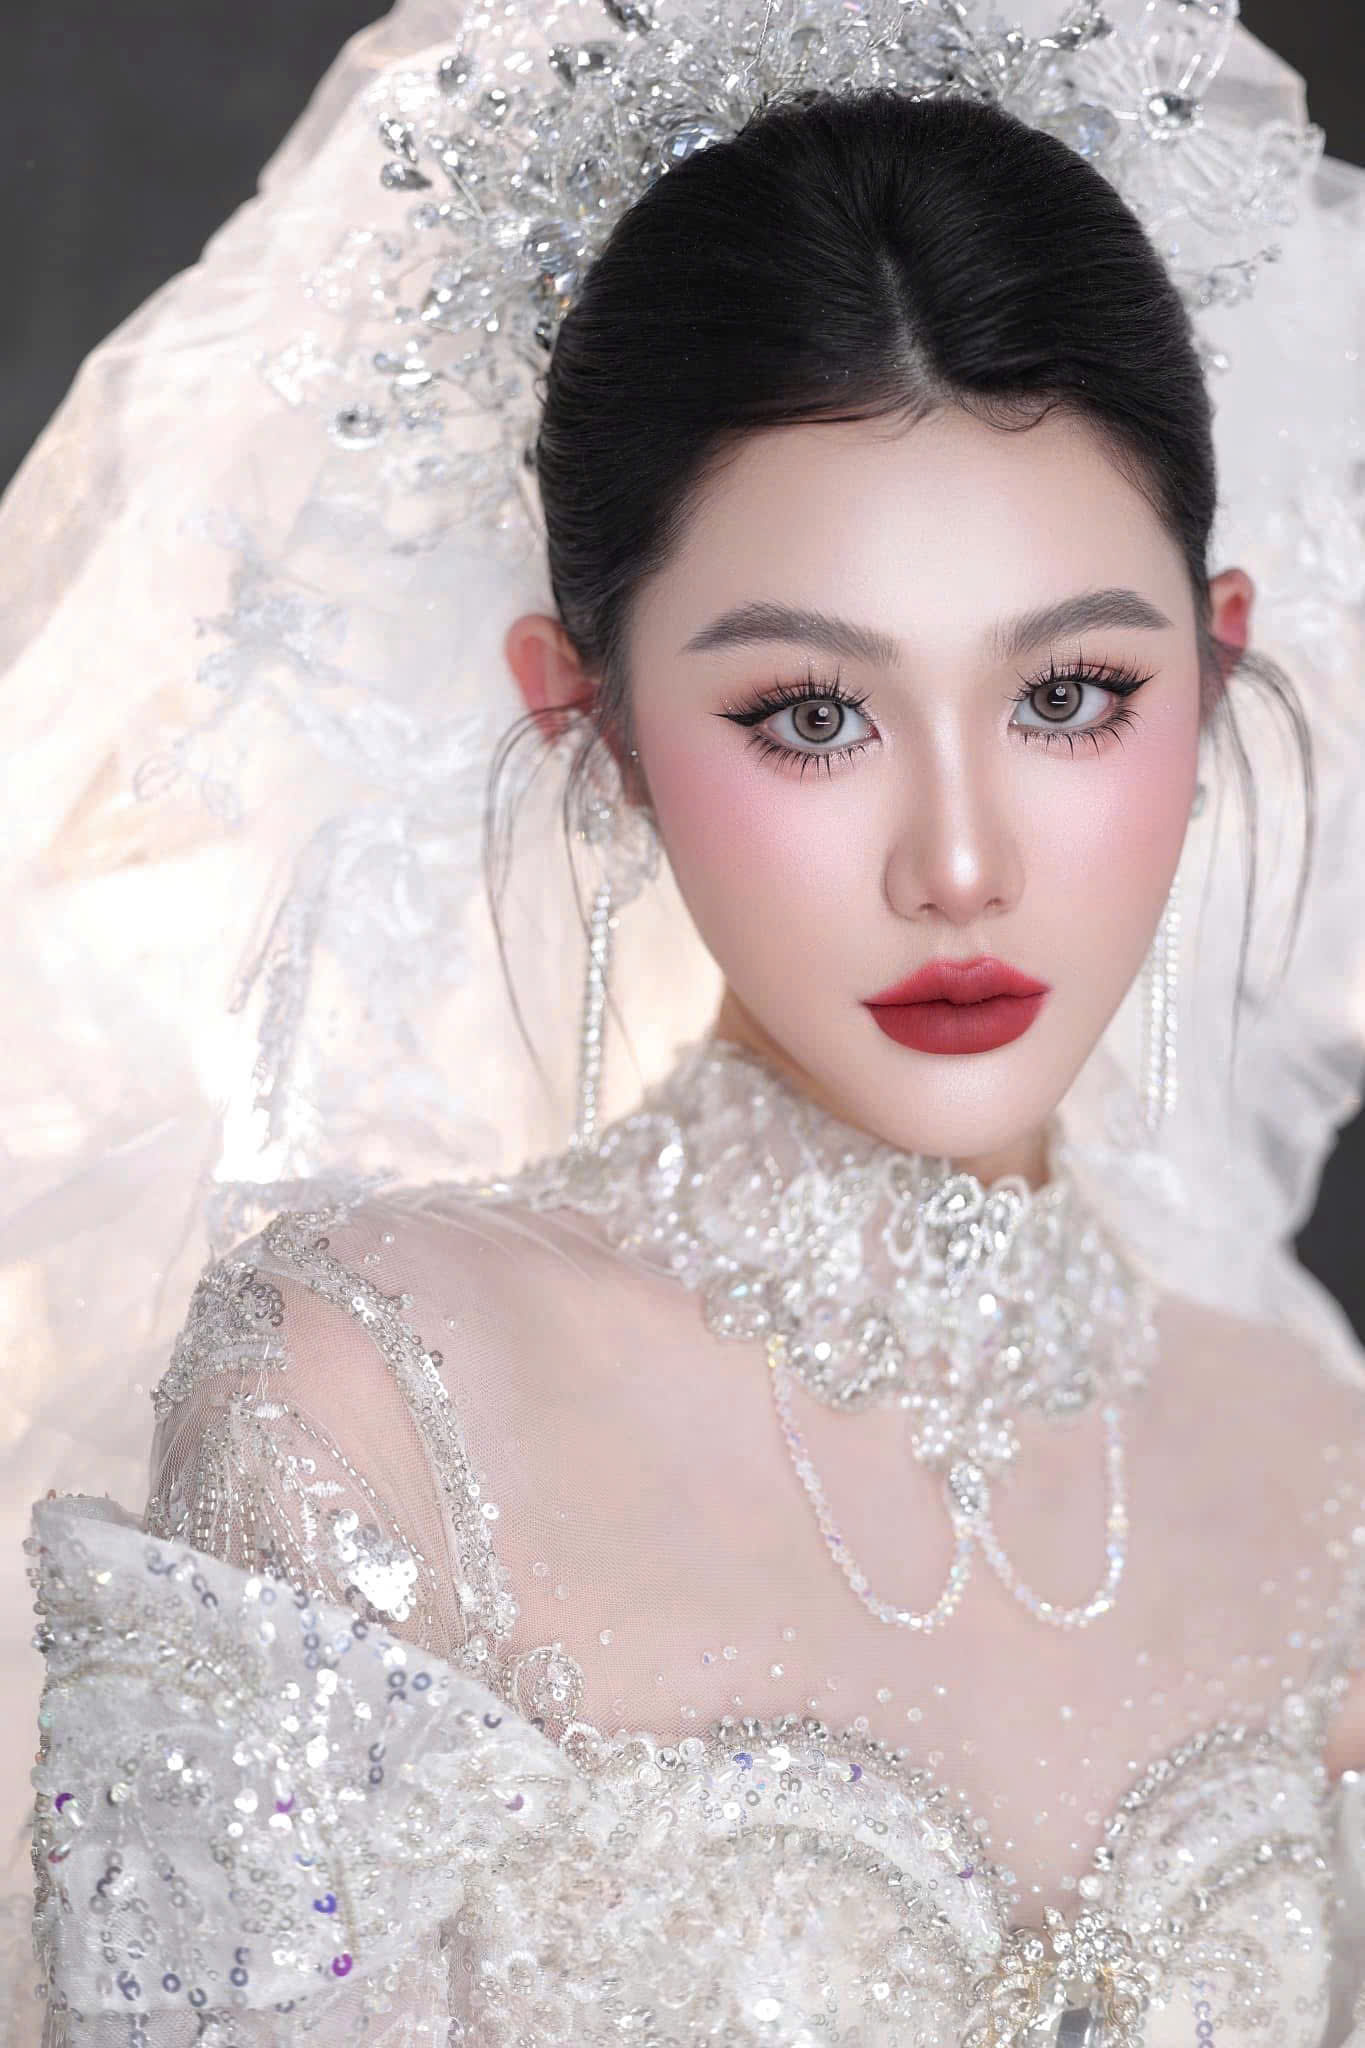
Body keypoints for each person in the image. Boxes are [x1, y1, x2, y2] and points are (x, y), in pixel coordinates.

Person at [6, 0, 1365, 2042]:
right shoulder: (372, 1396)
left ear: (1216, 663)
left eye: (1068, 693)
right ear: (596, 726)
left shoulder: (1320, 1471)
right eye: (808, 714)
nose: (960, 863)